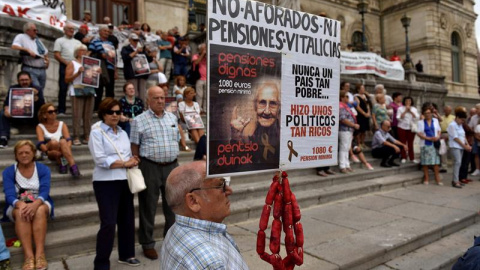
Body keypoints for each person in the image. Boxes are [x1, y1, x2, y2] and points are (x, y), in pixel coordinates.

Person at [160, 161, 249, 269]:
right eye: (220, 185)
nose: (229, 191)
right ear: (193, 201)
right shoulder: (211, 262)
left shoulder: (174, 230)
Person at [88, 98, 141, 269]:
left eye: (118, 112)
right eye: (111, 112)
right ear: (103, 114)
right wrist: (125, 163)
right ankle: (101, 262)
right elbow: (100, 159)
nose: (115, 115)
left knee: (127, 219)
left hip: (124, 179)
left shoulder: (123, 133)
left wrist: (132, 159)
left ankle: (126, 254)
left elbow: (126, 154)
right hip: (105, 182)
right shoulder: (96, 132)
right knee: (109, 222)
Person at [130, 86, 180, 260]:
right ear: (148, 100)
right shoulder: (139, 120)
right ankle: (147, 243)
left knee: (173, 206)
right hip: (149, 167)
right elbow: (134, 146)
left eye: (162, 98)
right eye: (156, 98)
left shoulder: (172, 118)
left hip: (172, 166)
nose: (160, 101)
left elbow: (177, 140)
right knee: (147, 206)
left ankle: (170, 240)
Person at [2, 140, 54, 270]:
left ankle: (40, 254)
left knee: (40, 211)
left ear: (33, 154)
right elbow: (9, 195)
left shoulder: (43, 169)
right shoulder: (8, 172)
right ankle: (28, 257)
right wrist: (20, 204)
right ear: (16, 155)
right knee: (21, 212)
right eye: (20, 153)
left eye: (27, 152)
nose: (24, 155)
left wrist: (35, 204)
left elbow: (45, 190)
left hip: (40, 201)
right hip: (17, 203)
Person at [230, 79, 280, 167]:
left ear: (279, 108)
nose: (267, 111)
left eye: (273, 104)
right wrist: (235, 136)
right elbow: (235, 166)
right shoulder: (247, 137)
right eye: (262, 103)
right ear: (255, 106)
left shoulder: (287, 136)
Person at [0, 71, 45, 147]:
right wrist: (6, 109)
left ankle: (45, 136)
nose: (24, 82)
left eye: (26, 80)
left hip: (33, 117)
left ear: (30, 80)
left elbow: (43, 106)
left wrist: (37, 99)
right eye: (22, 80)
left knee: (46, 112)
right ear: (18, 81)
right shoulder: (13, 89)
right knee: (2, 113)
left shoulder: (37, 89)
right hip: (17, 116)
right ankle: (3, 137)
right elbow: (7, 103)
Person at [36, 103, 80, 177]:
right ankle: (69, 166)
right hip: (50, 150)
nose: (53, 113)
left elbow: (69, 140)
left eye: (55, 111)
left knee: (63, 141)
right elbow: (41, 144)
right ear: (44, 115)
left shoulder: (62, 124)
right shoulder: (40, 126)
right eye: (50, 112)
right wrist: (48, 152)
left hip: (62, 148)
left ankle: (68, 165)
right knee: (54, 143)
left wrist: (66, 150)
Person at [65, 44, 96, 145]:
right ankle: (76, 136)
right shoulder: (72, 63)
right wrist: (78, 73)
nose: (84, 52)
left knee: (88, 115)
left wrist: (97, 73)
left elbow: (94, 77)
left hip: (89, 89)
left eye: (85, 51)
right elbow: (66, 79)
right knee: (77, 114)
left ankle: (87, 135)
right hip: (76, 89)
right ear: (77, 52)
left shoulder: (91, 64)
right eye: (82, 50)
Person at [11, 23, 49, 94]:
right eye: (34, 30)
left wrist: (47, 61)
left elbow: (45, 52)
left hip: (42, 69)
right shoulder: (21, 37)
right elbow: (14, 46)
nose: (36, 32)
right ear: (27, 31)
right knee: (35, 89)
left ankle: (37, 104)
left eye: (36, 30)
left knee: (40, 90)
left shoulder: (37, 40)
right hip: (30, 68)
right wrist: (27, 50)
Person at [53, 23, 81, 115]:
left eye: (73, 29)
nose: (71, 30)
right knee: (63, 88)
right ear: (64, 30)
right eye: (69, 28)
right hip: (65, 65)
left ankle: (77, 110)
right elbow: (56, 55)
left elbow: (83, 54)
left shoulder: (78, 42)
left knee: (78, 88)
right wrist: (68, 64)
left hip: (77, 67)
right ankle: (61, 110)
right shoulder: (59, 40)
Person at [88, 25, 118, 110]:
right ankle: (96, 107)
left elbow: (114, 58)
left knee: (110, 89)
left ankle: (111, 107)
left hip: (110, 68)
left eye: (108, 31)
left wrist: (115, 71)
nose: (107, 33)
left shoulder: (111, 44)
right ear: (100, 32)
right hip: (99, 68)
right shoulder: (94, 41)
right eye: (105, 31)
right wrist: (100, 55)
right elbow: (90, 54)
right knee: (98, 89)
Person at [121, 33, 150, 104]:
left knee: (143, 93)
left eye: (137, 40)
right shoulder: (125, 48)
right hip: (131, 74)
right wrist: (136, 51)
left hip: (142, 73)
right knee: (133, 92)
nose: (136, 42)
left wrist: (148, 52)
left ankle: (143, 107)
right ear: (130, 40)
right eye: (134, 40)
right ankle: (133, 107)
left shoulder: (142, 50)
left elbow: (149, 59)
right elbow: (126, 58)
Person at [416, 106, 442, 185]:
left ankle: (437, 178)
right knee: (425, 162)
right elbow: (419, 134)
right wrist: (428, 138)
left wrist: (437, 137)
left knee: (436, 162)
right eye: (426, 113)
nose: (427, 115)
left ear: (431, 113)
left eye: (429, 113)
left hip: (434, 143)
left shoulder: (435, 120)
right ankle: (426, 178)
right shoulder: (420, 122)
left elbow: (439, 130)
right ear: (423, 114)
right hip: (425, 143)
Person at [448, 108, 471, 188]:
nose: (462, 122)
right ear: (457, 118)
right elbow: (455, 138)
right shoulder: (452, 125)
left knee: (459, 163)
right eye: (461, 120)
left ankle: (457, 179)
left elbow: (463, 136)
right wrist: (465, 146)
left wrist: (467, 144)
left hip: (461, 147)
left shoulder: (460, 125)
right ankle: (455, 180)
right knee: (457, 162)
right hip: (455, 146)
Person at [396, 96, 419, 163]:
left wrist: (410, 111)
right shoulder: (400, 108)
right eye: (406, 101)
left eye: (409, 101)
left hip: (411, 128)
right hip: (402, 127)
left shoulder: (414, 109)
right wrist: (406, 111)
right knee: (403, 143)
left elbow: (416, 118)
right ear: (404, 102)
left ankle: (412, 158)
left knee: (410, 143)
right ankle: (404, 157)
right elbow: (398, 118)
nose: (408, 102)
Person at [354, 83, 371, 149]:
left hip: (366, 115)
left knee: (364, 130)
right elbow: (357, 106)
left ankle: (362, 142)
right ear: (358, 89)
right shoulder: (356, 96)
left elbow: (367, 105)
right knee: (359, 130)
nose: (363, 90)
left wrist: (368, 112)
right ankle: (358, 143)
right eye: (362, 88)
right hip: (360, 115)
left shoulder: (365, 96)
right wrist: (364, 113)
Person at [192, 43, 207, 113]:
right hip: (199, 78)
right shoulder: (196, 56)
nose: (205, 50)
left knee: (206, 96)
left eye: (205, 48)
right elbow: (196, 62)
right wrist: (202, 54)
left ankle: (205, 109)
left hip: (207, 79)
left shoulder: (208, 56)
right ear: (200, 49)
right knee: (199, 95)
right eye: (203, 48)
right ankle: (198, 109)